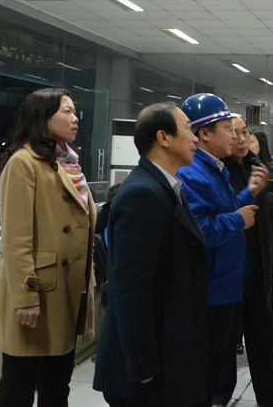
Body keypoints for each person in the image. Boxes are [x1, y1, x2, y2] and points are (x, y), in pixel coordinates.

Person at [92, 102, 208, 406]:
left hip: (168, 347)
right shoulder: (143, 194)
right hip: (144, 369)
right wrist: (143, 362)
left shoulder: (166, 186)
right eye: (188, 129)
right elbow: (132, 288)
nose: (195, 138)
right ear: (163, 137)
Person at [0, 87, 97, 407]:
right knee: (18, 388)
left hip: (63, 290)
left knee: (57, 385)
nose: (75, 118)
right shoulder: (24, 163)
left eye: (75, 111)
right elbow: (16, 240)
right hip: (36, 291)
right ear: (42, 117)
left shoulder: (67, 163)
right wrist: (25, 298)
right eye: (67, 111)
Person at [176, 93, 269, 407]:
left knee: (217, 366)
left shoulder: (214, 169)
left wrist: (248, 192)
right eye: (229, 129)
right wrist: (237, 220)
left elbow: (224, 210)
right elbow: (198, 230)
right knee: (205, 375)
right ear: (204, 133)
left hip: (226, 287)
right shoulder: (192, 173)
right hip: (210, 292)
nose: (236, 136)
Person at [213, 118, 273, 407]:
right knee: (223, 350)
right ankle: (219, 397)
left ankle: (272, 398)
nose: (241, 139)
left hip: (257, 275)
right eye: (234, 132)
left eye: (245, 132)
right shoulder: (216, 173)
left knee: (262, 344)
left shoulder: (255, 167)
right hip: (228, 280)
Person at [249, 131, 273, 355]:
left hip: (269, 235)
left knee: (267, 288)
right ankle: (237, 337)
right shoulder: (237, 169)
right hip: (244, 234)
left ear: (261, 144)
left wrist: (256, 196)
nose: (245, 142)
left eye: (250, 139)